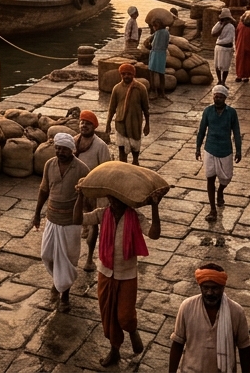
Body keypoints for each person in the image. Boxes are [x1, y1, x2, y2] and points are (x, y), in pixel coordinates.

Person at [78, 194, 161, 367]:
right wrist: (79, 196)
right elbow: (77, 218)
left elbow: (154, 234)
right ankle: (114, 351)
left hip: (127, 274)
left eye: (118, 199)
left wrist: (154, 206)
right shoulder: (102, 213)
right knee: (108, 316)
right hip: (105, 272)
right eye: (111, 198)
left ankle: (132, 329)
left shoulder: (135, 216)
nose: (114, 202)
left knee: (124, 316)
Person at [34, 133, 89, 311]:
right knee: (47, 255)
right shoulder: (49, 164)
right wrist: (36, 214)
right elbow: (43, 190)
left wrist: (88, 221)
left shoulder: (82, 169)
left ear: (71, 150)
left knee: (68, 259)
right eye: (57, 148)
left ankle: (64, 296)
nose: (59, 151)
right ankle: (58, 281)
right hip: (52, 218)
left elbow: (88, 198)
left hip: (71, 221)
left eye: (63, 149)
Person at [168, 264, 250, 373]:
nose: (209, 293)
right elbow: (178, 343)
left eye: (214, 288)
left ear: (223, 287)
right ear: (200, 287)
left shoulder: (236, 312)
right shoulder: (187, 307)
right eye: (206, 287)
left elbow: (244, 347)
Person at [196, 86, 242, 222]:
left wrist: (239, 150)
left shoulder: (231, 113)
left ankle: (220, 191)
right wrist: (198, 147)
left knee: (226, 177)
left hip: (225, 149)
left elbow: (236, 132)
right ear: (213, 97)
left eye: (221, 97)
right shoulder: (208, 111)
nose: (218, 99)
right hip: (210, 149)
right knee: (210, 178)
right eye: (216, 96)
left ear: (225, 98)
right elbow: (202, 130)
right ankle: (212, 210)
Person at [75, 110, 113, 269]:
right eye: (82, 122)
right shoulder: (74, 141)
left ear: (94, 127)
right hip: (77, 190)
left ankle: (89, 259)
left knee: (93, 225)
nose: (84, 126)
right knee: (74, 224)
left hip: (94, 191)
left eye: (88, 123)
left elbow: (107, 169)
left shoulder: (100, 146)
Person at [108, 62, 150, 165]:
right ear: (120, 75)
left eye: (129, 74)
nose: (126, 76)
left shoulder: (140, 88)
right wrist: (108, 123)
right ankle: (123, 167)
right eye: (124, 74)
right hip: (120, 123)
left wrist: (147, 125)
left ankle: (135, 162)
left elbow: (146, 108)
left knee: (135, 147)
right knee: (121, 148)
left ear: (133, 74)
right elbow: (112, 108)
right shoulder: (117, 88)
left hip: (135, 123)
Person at [212, 9, 237, 86]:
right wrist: (222, 26)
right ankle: (220, 81)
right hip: (221, 47)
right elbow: (213, 33)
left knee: (224, 66)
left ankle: (222, 81)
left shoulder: (231, 26)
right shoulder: (219, 24)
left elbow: (230, 39)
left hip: (225, 48)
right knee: (218, 66)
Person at [148, 20, 171, 97]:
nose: (154, 28)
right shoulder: (166, 32)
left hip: (155, 53)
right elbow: (166, 44)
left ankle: (153, 89)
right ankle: (162, 92)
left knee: (152, 72)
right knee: (161, 73)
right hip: (162, 53)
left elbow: (153, 44)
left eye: (155, 26)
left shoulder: (158, 33)